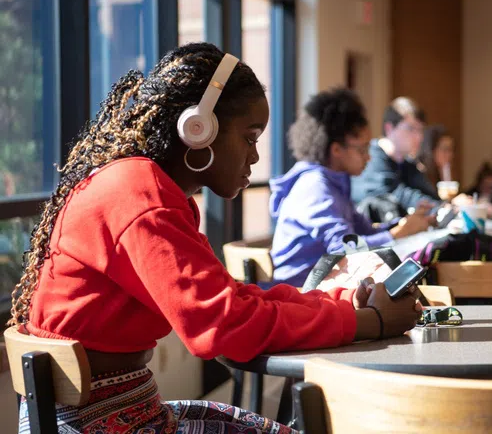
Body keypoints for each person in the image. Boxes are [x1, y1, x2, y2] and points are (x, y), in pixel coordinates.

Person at [9, 43, 420, 433]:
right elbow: (224, 326)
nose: (255, 156)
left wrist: (341, 303)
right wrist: (369, 322)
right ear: (198, 128)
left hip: (118, 411)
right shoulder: (139, 195)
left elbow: (230, 299)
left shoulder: (144, 187)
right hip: (99, 423)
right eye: (249, 137)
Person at [269, 88, 433, 287]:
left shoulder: (334, 183)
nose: (368, 157)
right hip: (299, 291)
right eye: (362, 149)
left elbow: (362, 232)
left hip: (323, 284)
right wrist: (399, 233)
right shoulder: (315, 187)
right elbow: (345, 248)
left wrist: (402, 225)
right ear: (336, 149)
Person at [351, 97, 439, 211]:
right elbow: (394, 196)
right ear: (389, 128)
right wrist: (437, 208)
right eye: (411, 129)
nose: (419, 137)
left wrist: (447, 207)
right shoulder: (370, 159)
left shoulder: (407, 164)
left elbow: (429, 194)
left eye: (420, 130)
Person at [417, 124, 455, 188]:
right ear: (431, 150)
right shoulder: (420, 172)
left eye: (451, 149)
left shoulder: (441, 170)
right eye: (445, 149)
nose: (450, 154)